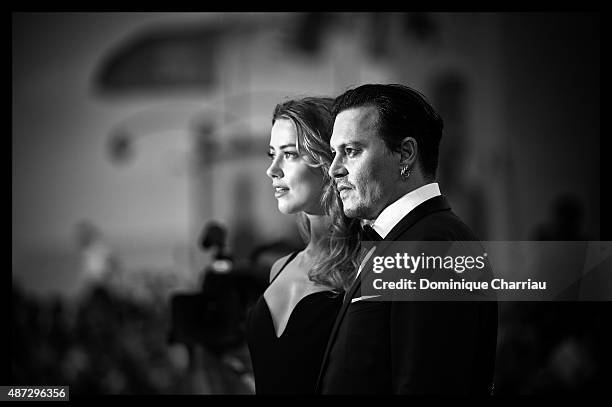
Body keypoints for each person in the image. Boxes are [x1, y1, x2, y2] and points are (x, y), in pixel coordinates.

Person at [316, 84, 498, 394]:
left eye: (351, 151)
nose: (334, 169)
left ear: (406, 153)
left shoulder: (433, 247)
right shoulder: (406, 240)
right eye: (335, 153)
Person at [246, 97, 362, 394]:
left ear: (328, 161)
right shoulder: (279, 268)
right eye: (272, 154)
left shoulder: (365, 265)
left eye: (290, 154)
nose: (272, 170)